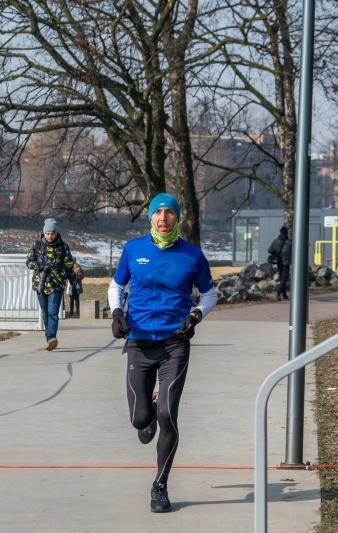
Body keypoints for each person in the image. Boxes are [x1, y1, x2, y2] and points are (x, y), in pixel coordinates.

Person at [107, 192, 218, 513]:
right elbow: (117, 285)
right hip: (139, 344)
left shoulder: (193, 255)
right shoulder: (133, 250)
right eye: (158, 212)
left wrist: (196, 315)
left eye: (169, 213)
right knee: (140, 420)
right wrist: (116, 312)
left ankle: (159, 485)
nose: (163, 218)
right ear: (151, 217)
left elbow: (209, 294)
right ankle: (149, 410)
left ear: (177, 218)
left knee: (169, 416)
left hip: (174, 345)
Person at [26, 218, 77, 350]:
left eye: (52, 233)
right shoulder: (37, 246)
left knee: (52, 311)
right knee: (45, 312)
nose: (50, 236)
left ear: (56, 233)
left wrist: (73, 282)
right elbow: (28, 262)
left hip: (57, 284)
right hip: (40, 284)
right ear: (43, 233)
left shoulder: (63, 247)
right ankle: (49, 338)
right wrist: (38, 265)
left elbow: (68, 266)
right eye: (47, 233)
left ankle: (51, 337)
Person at [268, 226, 292, 300]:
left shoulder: (275, 241)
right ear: (286, 233)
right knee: (285, 278)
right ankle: (278, 292)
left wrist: (276, 252)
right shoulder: (290, 242)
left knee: (282, 278)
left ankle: (284, 295)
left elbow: (269, 250)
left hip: (278, 261)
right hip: (286, 262)